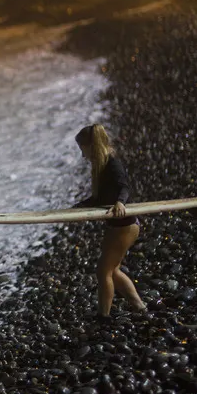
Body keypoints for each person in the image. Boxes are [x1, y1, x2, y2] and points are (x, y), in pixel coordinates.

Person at [73, 124, 147, 321]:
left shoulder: (112, 163)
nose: (83, 155)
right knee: (112, 270)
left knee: (103, 270)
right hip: (116, 226)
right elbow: (99, 199)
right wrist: (79, 206)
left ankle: (103, 315)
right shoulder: (101, 166)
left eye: (83, 149)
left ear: (91, 146)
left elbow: (124, 186)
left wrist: (120, 203)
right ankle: (139, 306)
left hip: (126, 225)